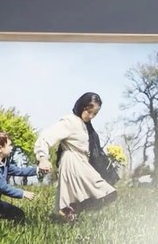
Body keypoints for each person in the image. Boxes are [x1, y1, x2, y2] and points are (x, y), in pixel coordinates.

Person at [34, 92, 117, 222]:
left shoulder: (87, 127)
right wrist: (43, 158)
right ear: (82, 106)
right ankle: (69, 215)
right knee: (102, 193)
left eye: (94, 114)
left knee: (108, 194)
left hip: (83, 163)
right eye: (89, 112)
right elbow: (46, 136)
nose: (90, 116)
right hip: (72, 162)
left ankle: (71, 214)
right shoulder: (70, 121)